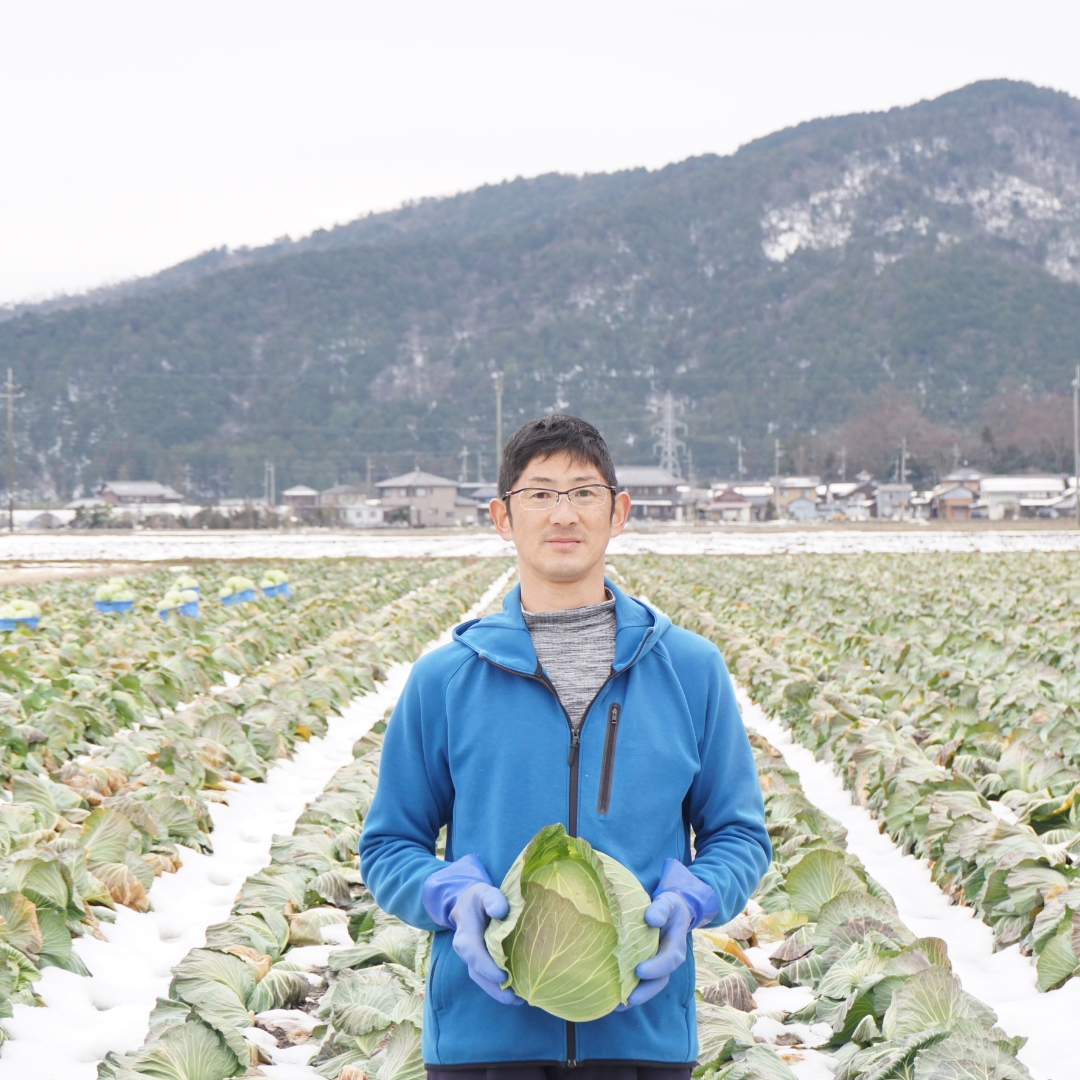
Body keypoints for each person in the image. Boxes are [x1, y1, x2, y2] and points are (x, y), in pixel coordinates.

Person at [361, 414, 771, 1080]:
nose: (564, 513)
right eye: (540, 493)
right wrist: (444, 894)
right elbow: (388, 845)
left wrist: (698, 894)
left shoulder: (691, 670)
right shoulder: (444, 679)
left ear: (619, 512)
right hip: (483, 1041)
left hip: (643, 1035)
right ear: (502, 516)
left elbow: (739, 834)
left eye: (584, 492)